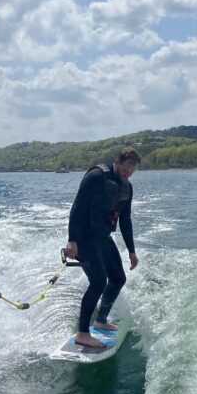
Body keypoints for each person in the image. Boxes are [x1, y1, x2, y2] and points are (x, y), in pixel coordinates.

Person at [65, 147, 140, 348]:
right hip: (84, 237)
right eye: (124, 170)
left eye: (130, 173)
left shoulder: (127, 187)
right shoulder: (96, 176)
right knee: (98, 282)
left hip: (103, 237)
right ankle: (83, 333)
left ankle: (100, 320)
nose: (126, 175)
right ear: (116, 162)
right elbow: (77, 208)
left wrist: (132, 250)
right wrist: (72, 240)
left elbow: (125, 219)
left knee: (118, 278)